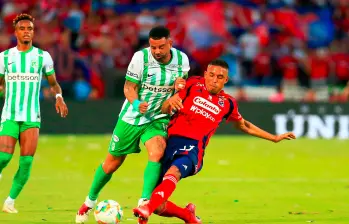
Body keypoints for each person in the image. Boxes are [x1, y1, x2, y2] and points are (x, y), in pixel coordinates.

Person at [133, 59, 296, 223]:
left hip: (193, 148)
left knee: (172, 173)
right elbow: (165, 108)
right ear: (205, 74)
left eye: (220, 77)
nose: (214, 80)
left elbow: (244, 125)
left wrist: (274, 138)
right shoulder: (192, 85)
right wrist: (169, 102)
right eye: (211, 75)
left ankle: (146, 208)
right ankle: (187, 215)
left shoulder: (228, 103)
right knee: (159, 206)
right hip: (171, 144)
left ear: (226, 80)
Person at [75, 26, 190, 223]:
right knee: (112, 163)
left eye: (161, 47)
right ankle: (89, 202)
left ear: (170, 43)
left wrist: (179, 90)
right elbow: (129, 87)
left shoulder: (182, 60)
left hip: (158, 117)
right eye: (153, 47)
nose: (157, 52)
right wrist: (137, 103)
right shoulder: (140, 58)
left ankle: (144, 202)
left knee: (157, 151)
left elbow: (181, 87)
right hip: (131, 116)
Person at [0, 13, 68, 213]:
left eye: (29, 28)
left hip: (31, 117)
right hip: (10, 115)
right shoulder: (4, 57)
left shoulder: (42, 57)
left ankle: (10, 201)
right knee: (4, 157)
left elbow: (53, 84)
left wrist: (58, 97)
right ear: (16, 32)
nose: (26, 32)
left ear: (33, 32)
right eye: (22, 28)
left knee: (26, 161)